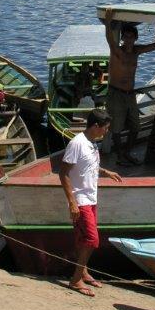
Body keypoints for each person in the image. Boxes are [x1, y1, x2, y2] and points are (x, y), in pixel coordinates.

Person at [59, 109, 122, 297]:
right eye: (106, 128)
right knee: (92, 240)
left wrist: (106, 172)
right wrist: (72, 202)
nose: (106, 131)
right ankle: (75, 279)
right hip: (81, 199)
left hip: (91, 197)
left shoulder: (92, 143)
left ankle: (83, 272)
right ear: (96, 126)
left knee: (83, 238)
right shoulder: (77, 143)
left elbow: (88, 166)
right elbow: (63, 173)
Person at [103, 7, 155, 165]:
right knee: (115, 128)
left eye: (131, 36)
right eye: (126, 36)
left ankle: (126, 152)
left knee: (136, 127)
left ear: (135, 38)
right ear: (123, 38)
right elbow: (110, 39)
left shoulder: (136, 51)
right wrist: (108, 21)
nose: (128, 39)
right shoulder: (118, 51)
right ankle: (120, 155)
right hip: (115, 93)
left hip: (130, 94)